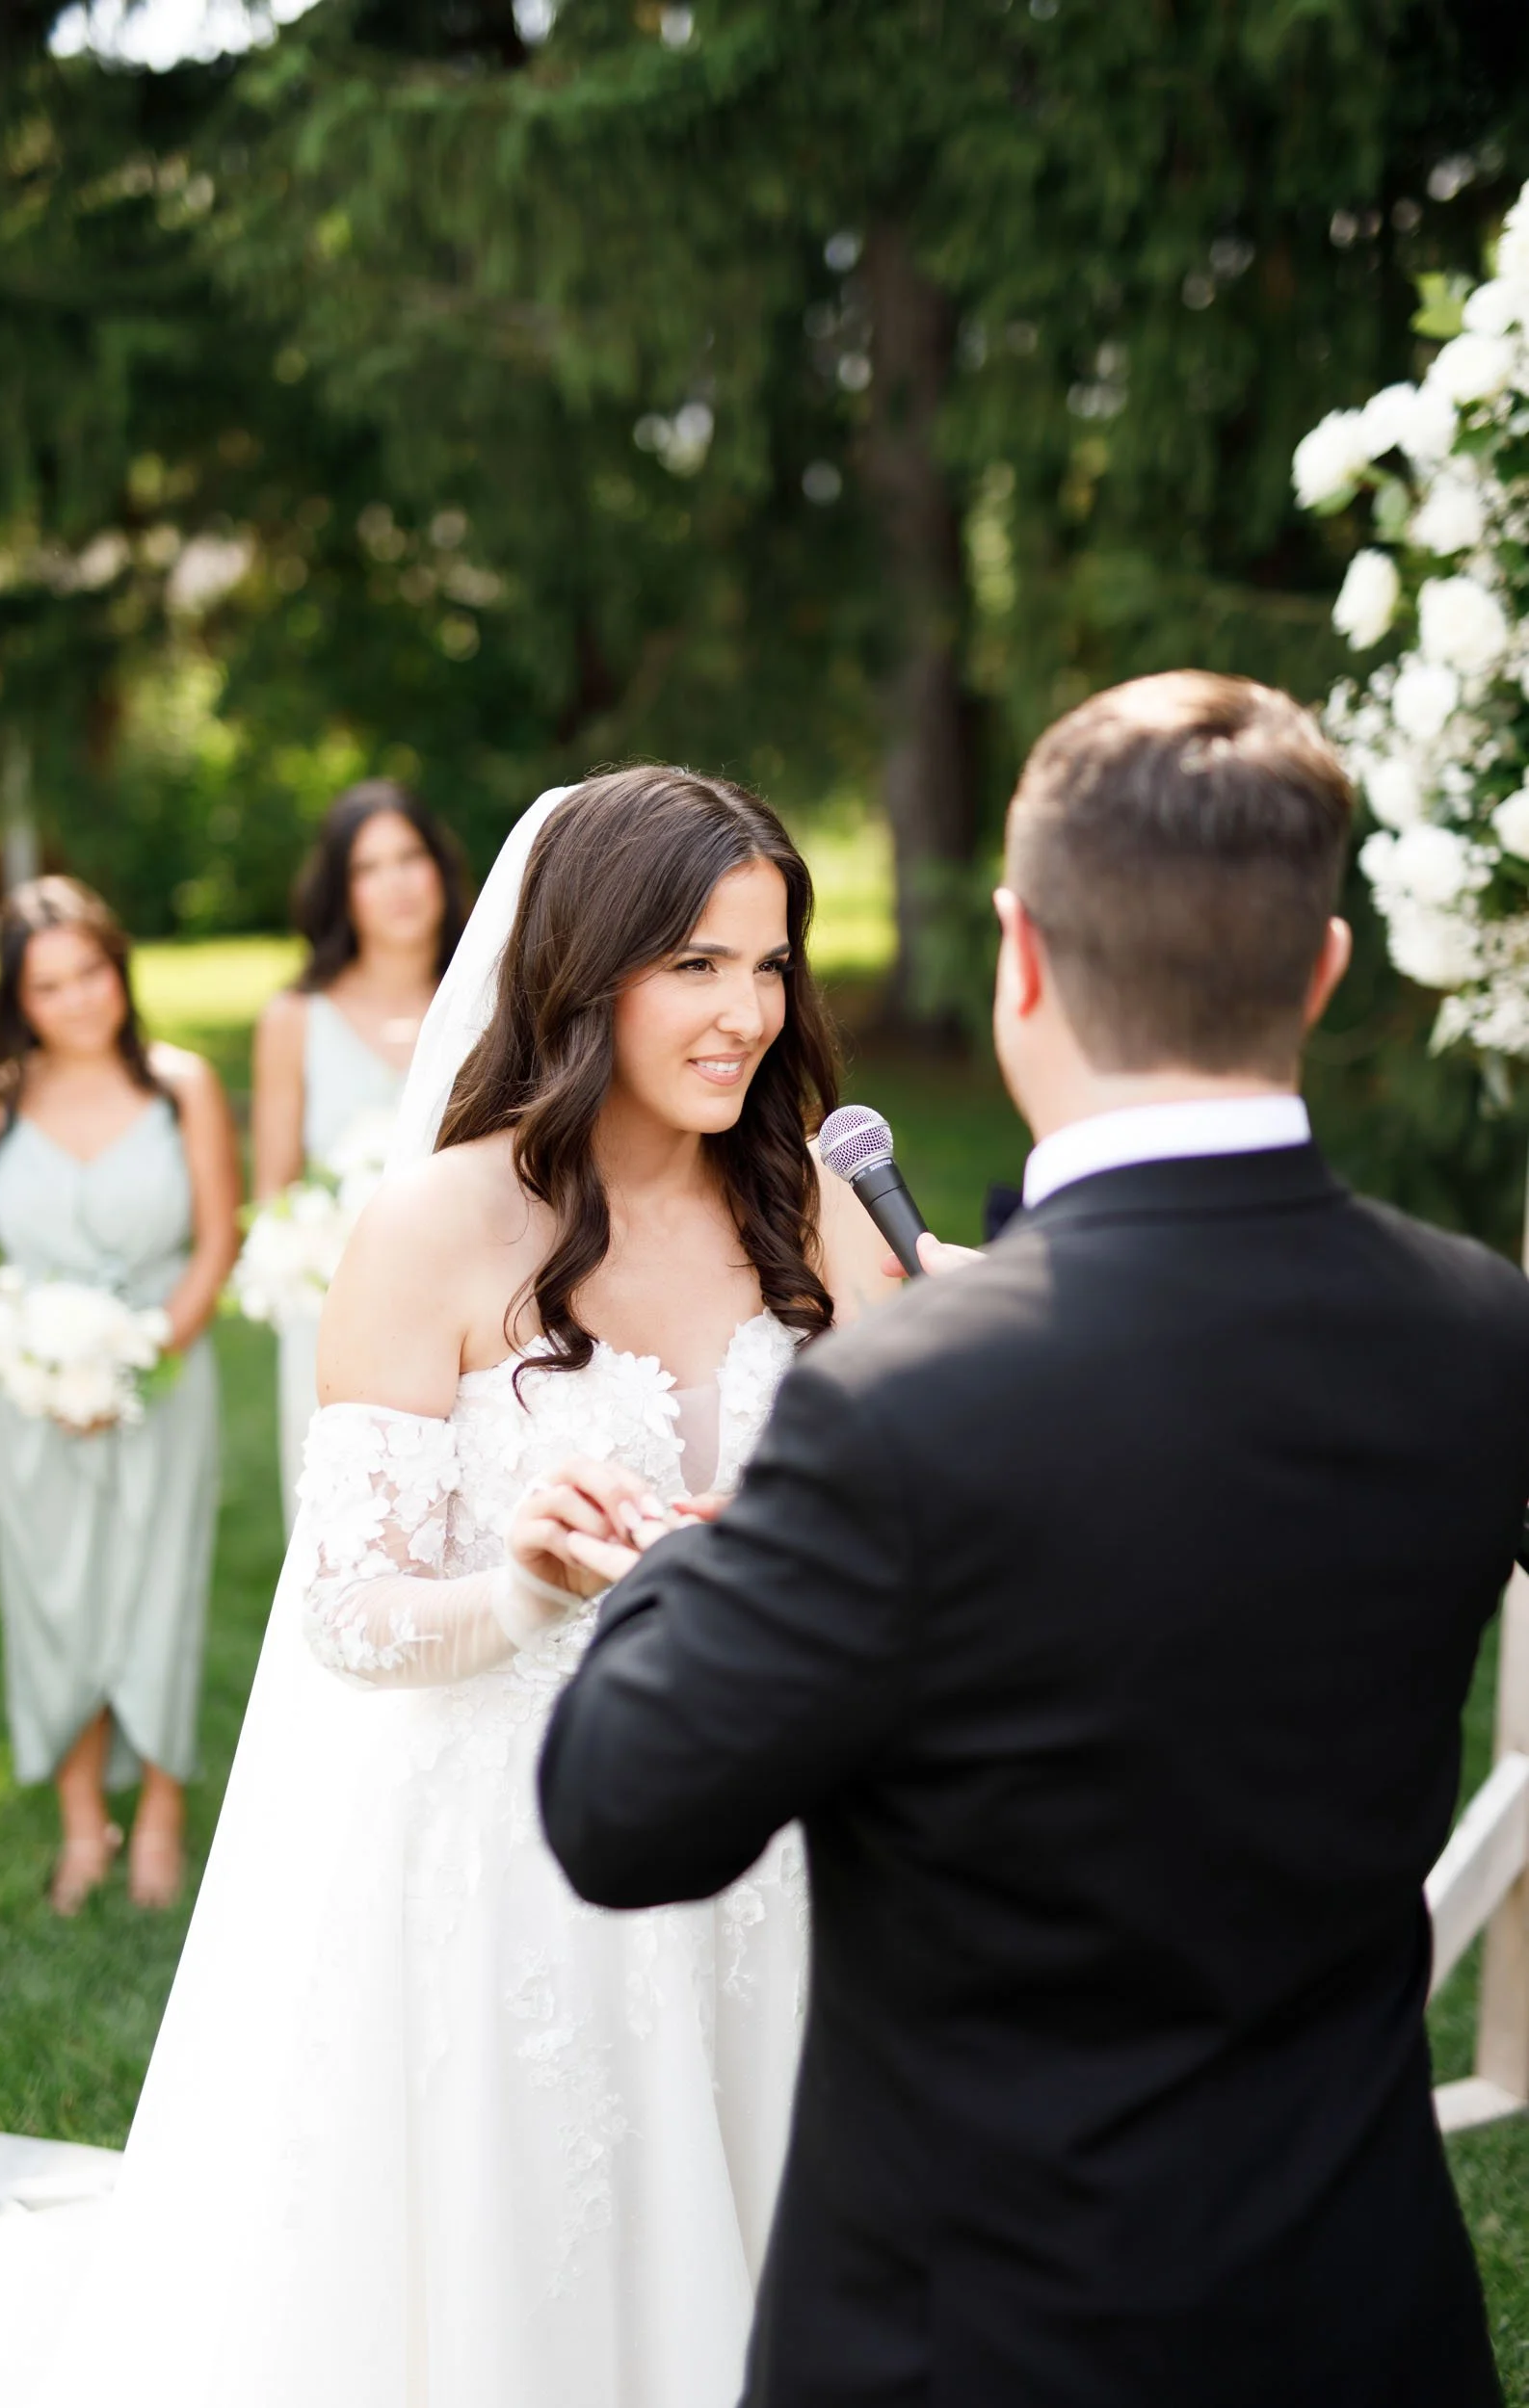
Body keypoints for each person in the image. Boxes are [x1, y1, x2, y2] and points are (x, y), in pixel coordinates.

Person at [540, 674, 1529, 2408]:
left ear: (1018, 960)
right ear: (1318, 972)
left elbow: (621, 1809)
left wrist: (709, 1546)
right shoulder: (1479, 1333)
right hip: (1363, 2319)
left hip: (982, 2340)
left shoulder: (890, 1415)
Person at [11, 768, 893, 2408]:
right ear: (585, 968)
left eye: (770, 966)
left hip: (782, 1841)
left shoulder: (809, 1202)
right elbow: (350, 1609)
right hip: (524, 1867)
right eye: (696, 965)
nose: (748, 1014)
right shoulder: (439, 1223)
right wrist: (518, 1589)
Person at [0, 877, 240, 1913]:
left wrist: (146, 1348)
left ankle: (157, 1813)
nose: (78, 998)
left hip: (164, 1378)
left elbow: (215, 1241)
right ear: (21, 996)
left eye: (92, 971)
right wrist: (20, 1354)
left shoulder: (179, 1084)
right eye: (50, 983)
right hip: (30, 1399)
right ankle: (81, 1823)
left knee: (158, 1585)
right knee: (54, 1598)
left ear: (120, 967)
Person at [251, 778, 469, 1524]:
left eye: (410, 858)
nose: (396, 884)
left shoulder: (493, 1005)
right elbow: (275, 1196)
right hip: (334, 1314)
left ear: (439, 868)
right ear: (340, 891)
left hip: (474, 1303)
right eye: (367, 868)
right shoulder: (294, 1018)